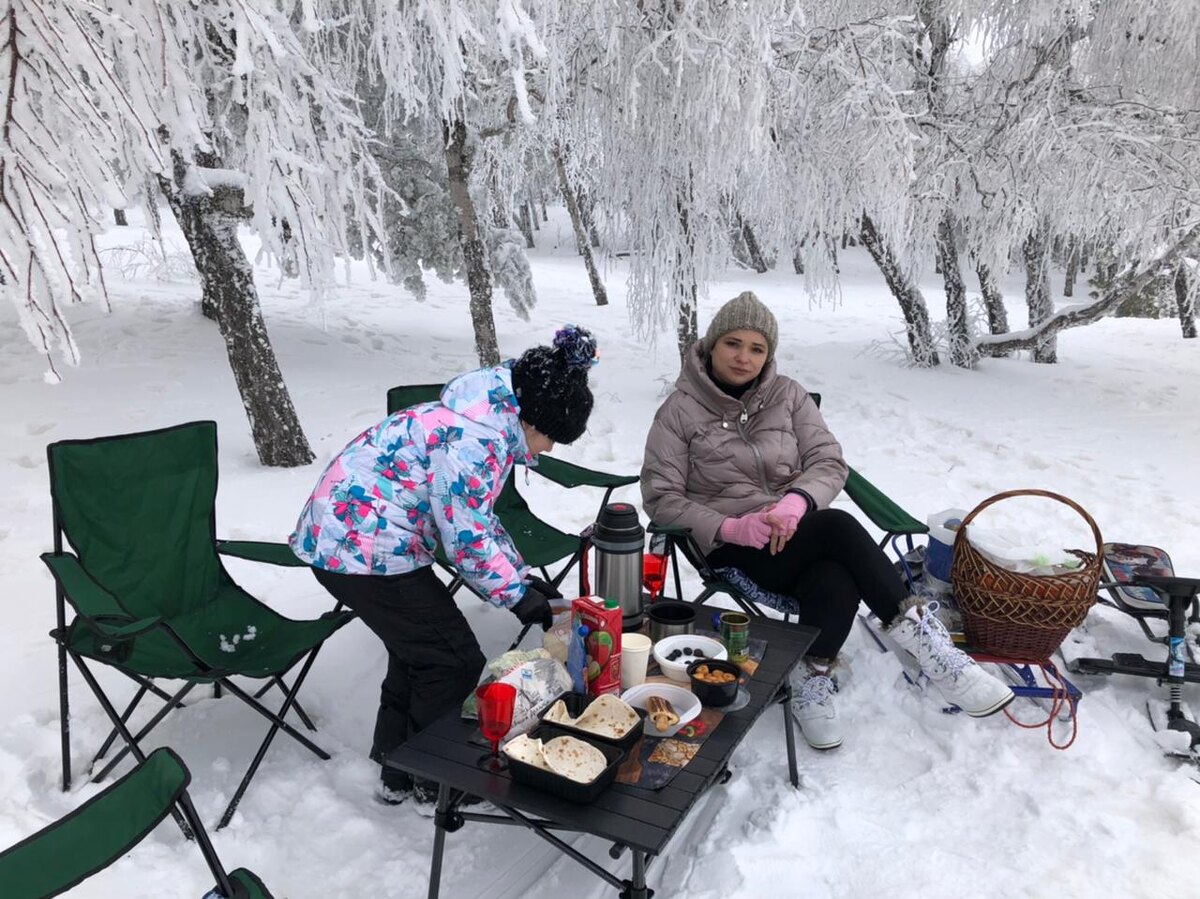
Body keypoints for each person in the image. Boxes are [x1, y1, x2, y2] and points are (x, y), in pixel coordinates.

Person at [640, 292, 1013, 750]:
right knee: (838, 527)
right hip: (731, 547)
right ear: (711, 345)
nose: (743, 358)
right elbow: (661, 498)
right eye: (733, 343)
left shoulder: (788, 395)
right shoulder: (678, 412)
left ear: (768, 355)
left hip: (797, 532)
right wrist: (731, 527)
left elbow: (828, 461)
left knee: (835, 575)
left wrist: (796, 502)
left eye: (757, 348)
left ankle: (812, 675)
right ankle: (933, 650)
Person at [290, 325, 598, 802]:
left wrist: (520, 577)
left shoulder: (480, 419)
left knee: (420, 653)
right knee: (453, 662)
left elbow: (478, 519)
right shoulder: (474, 441)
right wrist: (519, 598)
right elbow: (466, 542)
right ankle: (435, 783)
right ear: (531, 421)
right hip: (362, 551)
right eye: (551, 438)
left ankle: (396, 768)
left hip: (352, 542)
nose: (549, 450)